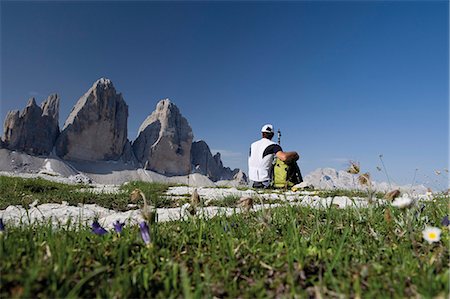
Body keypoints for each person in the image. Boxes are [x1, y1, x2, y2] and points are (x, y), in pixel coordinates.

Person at [248, 124, 299, 188]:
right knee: (291, 159)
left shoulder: (253, 145)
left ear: (262, 134)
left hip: (252, 181)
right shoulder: (273, 145)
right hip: (264, 181)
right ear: (272, 135)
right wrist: (294, 153)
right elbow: (284, 157)